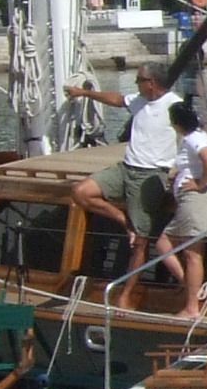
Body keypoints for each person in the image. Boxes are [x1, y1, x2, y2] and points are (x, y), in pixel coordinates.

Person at [65, 63, 183, 282]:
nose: (136, 84)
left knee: (140, 241)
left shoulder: (174, 105)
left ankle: (128, 293)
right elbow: (117, 100)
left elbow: (196, 135)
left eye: (139, 80)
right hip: (126, 168)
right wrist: (84, 93)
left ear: (151, 83)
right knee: (81, 192)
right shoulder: (139, 101)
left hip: (151, 174)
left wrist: (190, 172)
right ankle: (124, 220)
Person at [159, 95, 207, 322]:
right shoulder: (196, 136)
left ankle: (191, 306)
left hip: (196, 201)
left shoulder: (193, 139)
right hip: (193, 201)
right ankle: (189, 287)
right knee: (176, 247)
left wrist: (200, 183)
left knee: (191, 254)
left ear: (177, 123)